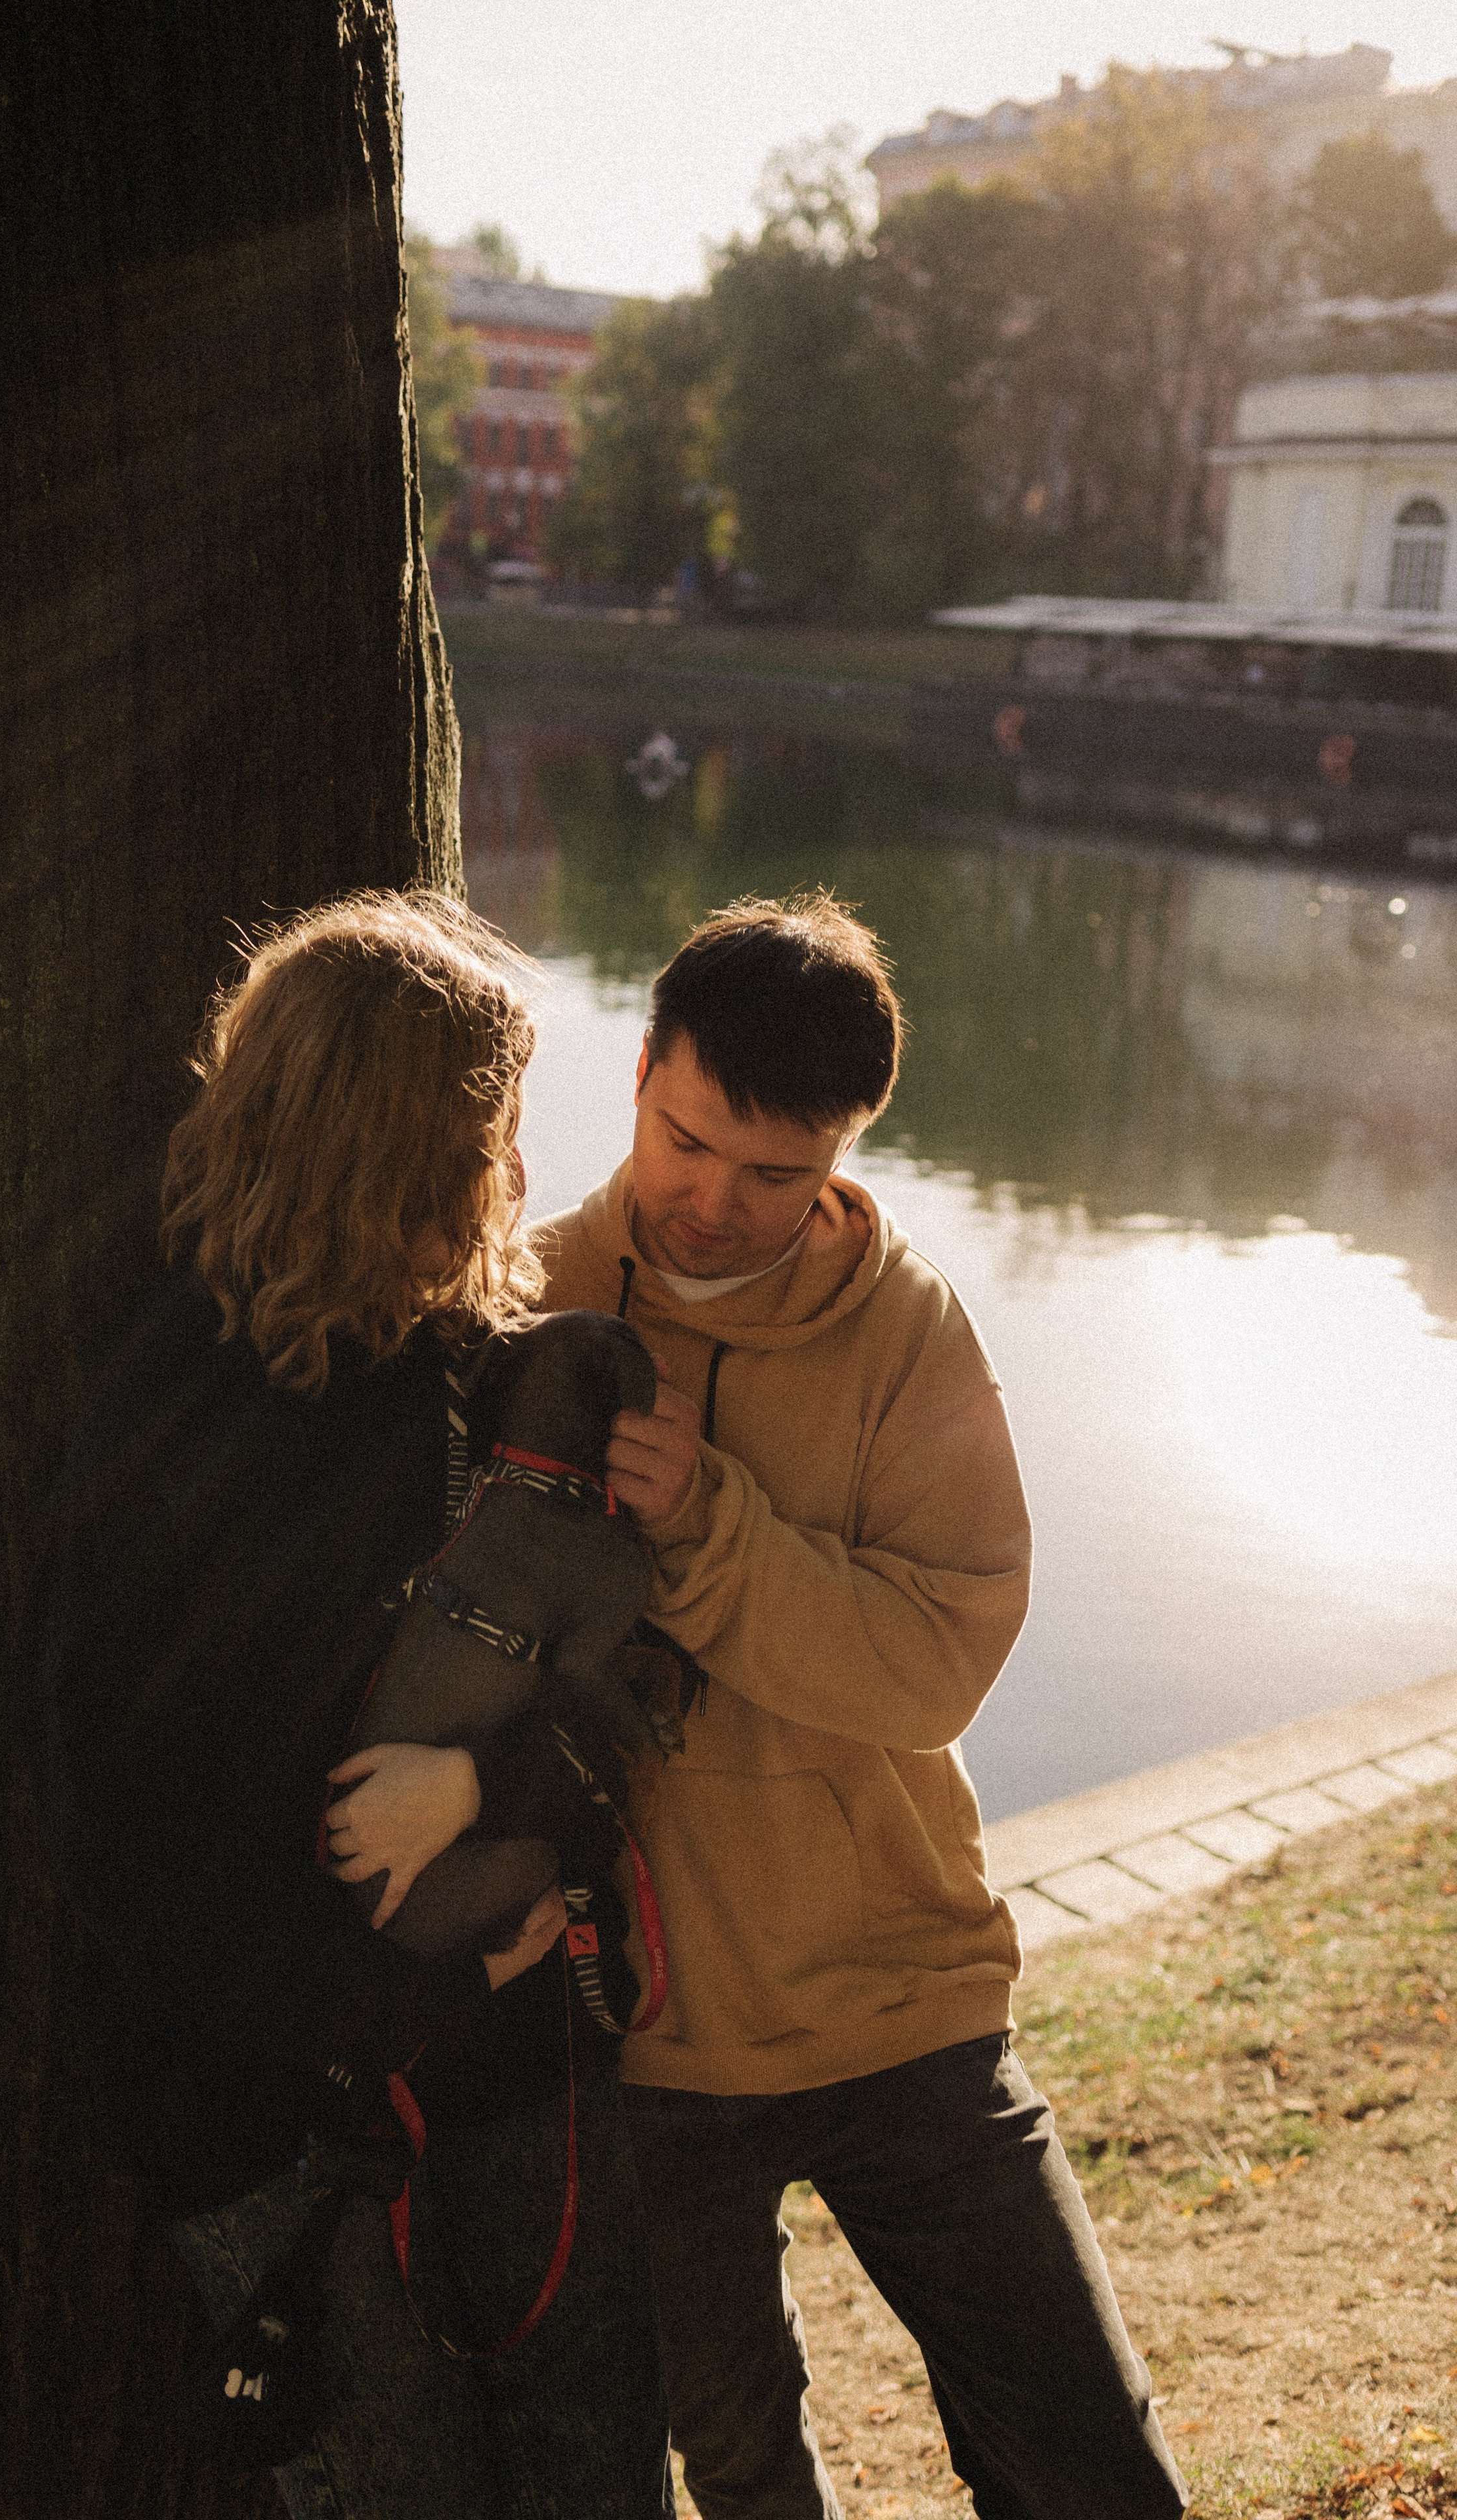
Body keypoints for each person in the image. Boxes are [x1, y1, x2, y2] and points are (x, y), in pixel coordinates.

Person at [534, 893, 1187, 2520]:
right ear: (639, 1071)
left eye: (776, 1175)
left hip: (902, 2000)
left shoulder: (906, 1330)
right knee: (745, 2485)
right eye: (685, 1142)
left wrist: (704, 1525)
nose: (711, 1203)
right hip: (643, 2039)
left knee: (1087, 2466)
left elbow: (933, 1664)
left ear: (845, 1145)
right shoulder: (530, 1295)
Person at [24, 891, 672, 2520]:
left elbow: (629, 1684)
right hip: (267, 2098)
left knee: (591, 2459)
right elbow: (116, 1822)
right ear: (403, 1151)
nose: (517, 1178)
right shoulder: (165, 1406)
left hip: (510, 2046)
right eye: (494, 1132)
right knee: (395, 2490)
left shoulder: (491, 1381)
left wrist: (505, 1808)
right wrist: (372, 2012)